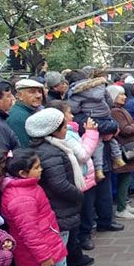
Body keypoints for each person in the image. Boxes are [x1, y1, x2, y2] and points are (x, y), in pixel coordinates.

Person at [25, 108, 88, 266]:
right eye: (64, 126)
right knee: (59, 245)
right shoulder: (51, 152)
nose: (67, 129)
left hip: (52, 204)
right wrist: (78, 194)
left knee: (53, 242)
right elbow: (59, 184)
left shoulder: (44, 148)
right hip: (58, 206)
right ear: (52, 130)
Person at [48, 101, 101, 250]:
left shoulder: (70, 131)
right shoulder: (66, 136)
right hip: (81, 178)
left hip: (84, 177)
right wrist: (91, 133)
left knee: (86, 209)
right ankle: (82, 239)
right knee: (84, 211)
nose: (72, 115)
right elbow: (83, 154)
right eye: (69, 113)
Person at [66, 70, 123, 180]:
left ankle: (98, 169)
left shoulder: (76, 92)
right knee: (111, 140)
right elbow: (110, 102)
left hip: (92, 117)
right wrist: (113, 125)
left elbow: (74, 109)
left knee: (98, 144)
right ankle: (118, 158)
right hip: (105, 115)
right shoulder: (100, 87)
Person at [108, 85, 134, 220]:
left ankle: (124, 204)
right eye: (121, 95)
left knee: (127, 177)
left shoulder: (121, 109)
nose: (124, 97)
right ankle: (121, 207)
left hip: (128, 147)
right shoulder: (116, 112)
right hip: (124, 148)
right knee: (124, 178)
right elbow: (126, 130)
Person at [7, 79, 45, 147]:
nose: (38, 96)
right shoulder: (17, 117)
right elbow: (23, 148)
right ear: (20, 95)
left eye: (39, 91)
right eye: (32, 92)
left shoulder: (32, 111)